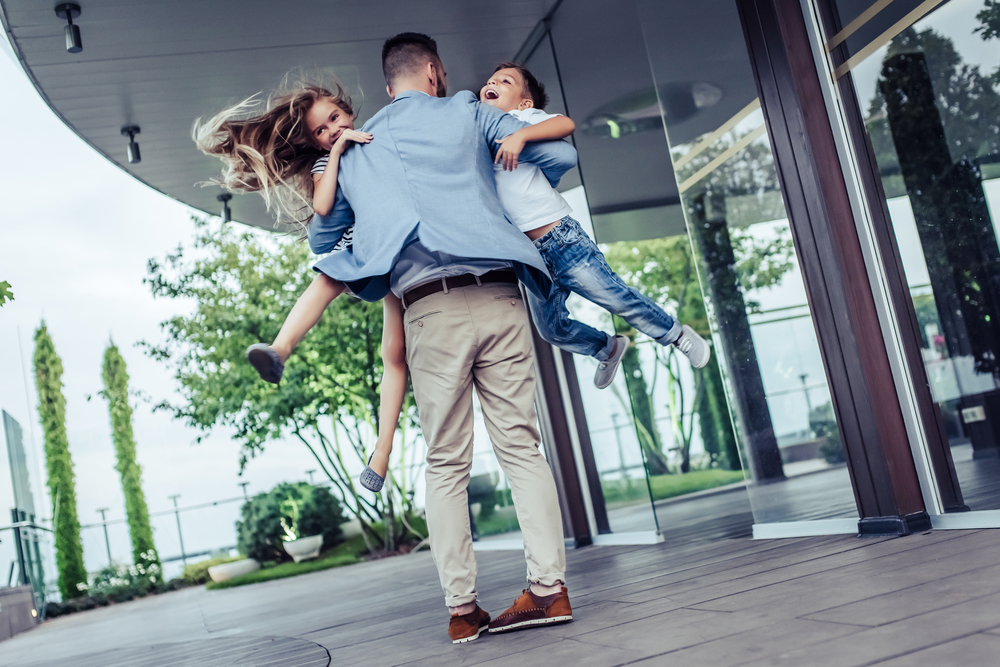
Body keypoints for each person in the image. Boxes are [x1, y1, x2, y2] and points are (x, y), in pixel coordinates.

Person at [307, 31, 576, 644]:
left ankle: (462, 610)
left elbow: (324, 243)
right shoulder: (465, 109)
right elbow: (557, 153)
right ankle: (549, 589)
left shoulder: (358, 146)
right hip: (502, 293)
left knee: (446, 462)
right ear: (435, 71)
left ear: (388, 84)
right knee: (521, 448)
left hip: (429, 309)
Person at [480, 63, 711, 387]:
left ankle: (675, 334)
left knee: (616, 298)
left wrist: (520, 136)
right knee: (551, 329)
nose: (493, 82)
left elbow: (565, 123)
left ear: (524, 103)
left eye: (505, 81)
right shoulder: (480, 134)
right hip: (529, 258)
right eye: (491, 80)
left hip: (560, 240)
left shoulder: (523, 120)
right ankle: (606, 347)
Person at [192, 74, 372, 383]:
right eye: (321, 130)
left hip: (393, 238)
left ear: (347, 111)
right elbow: (323, 206)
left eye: (334, 117)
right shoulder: (325, 163)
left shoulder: (374, 139)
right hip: (362, 245)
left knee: (394, 348)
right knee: (325, 281)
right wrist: (338, 153)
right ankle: (279, 350)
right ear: (315, 142)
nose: (333, 130)